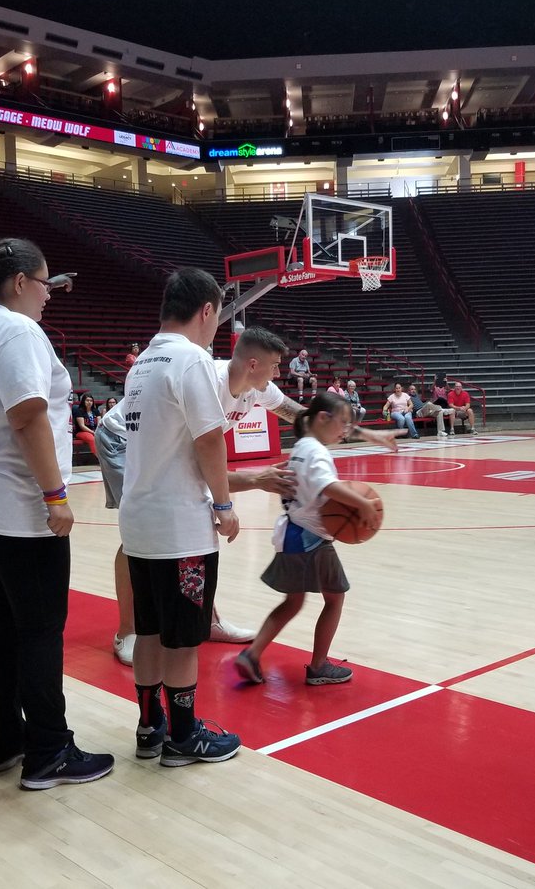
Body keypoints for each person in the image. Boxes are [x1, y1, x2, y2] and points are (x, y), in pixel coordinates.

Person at [101, 326, 400, 666]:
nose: (278, 373)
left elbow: (304, 417)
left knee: (198, 532)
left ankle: (207, 621)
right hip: (123, 438)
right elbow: (200, 464)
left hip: (179, 447)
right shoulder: (208, 382)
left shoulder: (259, 388)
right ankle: (128, 631)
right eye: (275, 366)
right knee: (137, 535)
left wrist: (363, 433)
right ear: (254, 364)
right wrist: (251, 483)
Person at [0, 237, 114, 789]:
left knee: (1, 626)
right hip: (19, 508)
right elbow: (28, 417)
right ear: (20, 282)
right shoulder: (17, 331)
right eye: (45, 284)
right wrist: (55, 496)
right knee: (40, 631)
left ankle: (6, 741)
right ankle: (49, 751)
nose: (49, 295)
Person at [120, 267, 245, 767]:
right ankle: (185, 736)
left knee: (149, 630)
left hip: (139, 520)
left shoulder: (140, 363)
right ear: (208, 309)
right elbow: (209, 437)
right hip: (179, 526)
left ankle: (150, 729)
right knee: (185, 638)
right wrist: (224, 503)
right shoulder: (191, 359)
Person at [235, 392, 384, 687]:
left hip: (293, 533)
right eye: (342, 423)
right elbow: (326, 486)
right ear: (322, 418)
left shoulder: (301, 446)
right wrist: (363, 503)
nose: (344, 431)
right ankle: (318, 666)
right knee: (335, 597)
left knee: (292, 602)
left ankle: (252, 655)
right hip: (310, 537)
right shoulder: (316, 452)